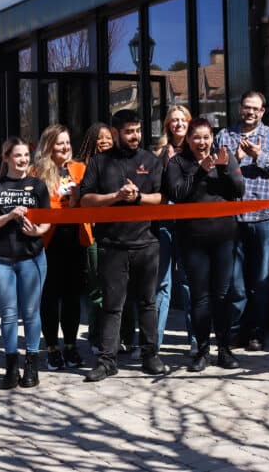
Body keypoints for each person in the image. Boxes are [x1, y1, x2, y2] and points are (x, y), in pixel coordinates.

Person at [81, 110, 166, 381]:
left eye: (138, 130)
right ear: (116, 133)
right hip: (112, 245)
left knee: (147, 303)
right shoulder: (99, 162)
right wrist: (115, 196)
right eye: (129, 131)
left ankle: (150, 356)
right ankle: (107, 361)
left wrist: (139, 196)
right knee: (112, 305)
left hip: (146, 244)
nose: (135, 136)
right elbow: (85, 201)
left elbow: (162, 199)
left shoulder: (150, 160)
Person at [163, 118, 245, 373]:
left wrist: (224, 169)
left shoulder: (224, 156)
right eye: (196, 137)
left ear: (213, 138)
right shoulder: (178, 162)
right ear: (188, 139)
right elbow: (177, 193)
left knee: (222, 295)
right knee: (200, 297)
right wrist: (200, 170)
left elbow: (239, 190)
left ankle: (224, 349)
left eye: (206, 137)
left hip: (223, 237)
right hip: (193, 239)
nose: (202, 142)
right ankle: (201, 351)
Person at [215, 90, 269, 351]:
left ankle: (257, 333)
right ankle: (236, 331)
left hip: (265, 216)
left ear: (262, 112)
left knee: (260, 279)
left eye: (255, 109)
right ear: (240, 108)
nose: (250, 112)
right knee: (235, 281)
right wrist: (236, 160)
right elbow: (215, 173)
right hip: (233, 217)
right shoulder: (224, 136)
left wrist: (259, 156)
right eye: (247, 107)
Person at [0, 137, 50, 390]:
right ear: (6, 157)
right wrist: (9, 215)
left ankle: (32, 363)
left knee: (31, 313)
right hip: (1, 259)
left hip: (31, 257)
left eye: (26, 156)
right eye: (18, 155)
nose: (23, 160)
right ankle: (11, 365)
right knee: (9, 314)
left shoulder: (38, 186)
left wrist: (36, 232)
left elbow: (46, 222)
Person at [33, 125, 89, 372]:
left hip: (75, 239)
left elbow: (88, 199)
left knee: (72, 297)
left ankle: (70, 345)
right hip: (49, 242)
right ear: (48, 146)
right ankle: (52, 348)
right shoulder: (37, 173)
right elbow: (40, 206)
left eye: (67, 142)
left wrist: (79, 200)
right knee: (49, 296)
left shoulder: (80, 169)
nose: (65, 147)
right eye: (59, 143)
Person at [155, 105, 196, 356]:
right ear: (168, 125)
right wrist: (166, 162)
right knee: (162, 282)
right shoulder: (160, 152)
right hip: (164, 222)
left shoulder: (196, 151)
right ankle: (155, 342)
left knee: (189, 282)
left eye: (183, 120)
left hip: (189, 222)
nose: (178, 124)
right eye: (174, 120)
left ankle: (194, 339)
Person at [76, 122, 114, 355]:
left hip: (116, 233)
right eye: (100, 138)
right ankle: (95, 336)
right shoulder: (80, 168)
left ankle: (116, 335)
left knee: (117, 287)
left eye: (109, 138)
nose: (105, 142)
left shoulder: (119, 163)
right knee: (97, 287)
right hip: (92, 233)